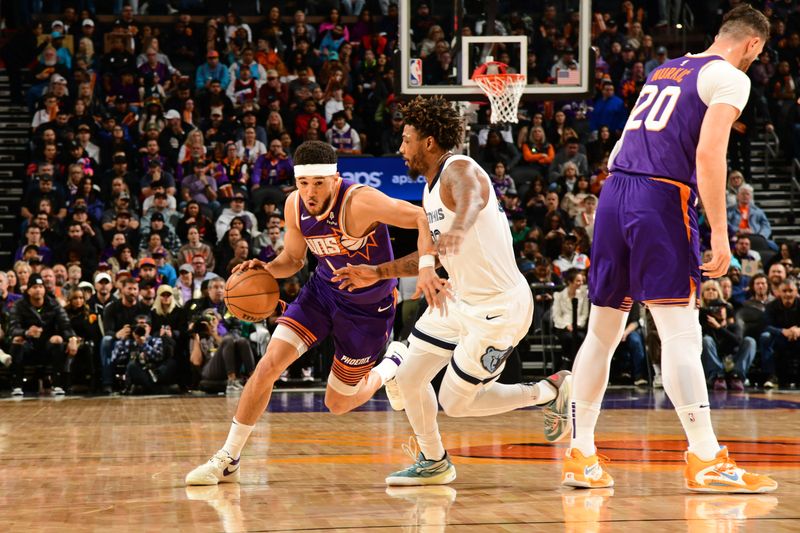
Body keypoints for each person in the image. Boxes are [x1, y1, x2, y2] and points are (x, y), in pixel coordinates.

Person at [564, 5, 776, 492]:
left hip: (615, 191)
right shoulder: (729, 78)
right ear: (751, 44)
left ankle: (581, 454)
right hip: (659, 197)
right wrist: (720, 234)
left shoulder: (666, 67)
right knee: (681, 333)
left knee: (602, 332)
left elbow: (619, 148)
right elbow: (708, 154)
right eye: (757, 54)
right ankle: (705, 458)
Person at [332, 96, 573, 486]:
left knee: (456, 403)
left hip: (498, 309)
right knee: (410, 379)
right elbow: (433, 255)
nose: (400, 148)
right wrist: (377, 272)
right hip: (457, 299)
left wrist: (459, 226)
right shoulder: (428, 193)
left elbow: (472, 196)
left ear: (428, 143)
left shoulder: (458, 168)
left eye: (407, 140)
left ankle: (548, 390)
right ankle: (434, 461)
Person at [185, 140, 443, 486]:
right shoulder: (294, 205)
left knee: (337, 402)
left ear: (336, 180)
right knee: (268, 366)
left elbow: (421, 217)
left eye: (318, 183)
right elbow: (292, 260)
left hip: (367, 310)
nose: (310, 192)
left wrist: (424, 265)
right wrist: (263, 269)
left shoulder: (360, 201)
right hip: (320, 294)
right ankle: (229, 458)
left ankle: (391, 364)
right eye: (304, 183)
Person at [8, 273, 79, 396]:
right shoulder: (19, 305)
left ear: (44, 289)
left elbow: (65, 325)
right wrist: (26, 332)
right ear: (28, 290)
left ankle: (57, 384)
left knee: (58, 339)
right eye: (34, 287)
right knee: (17, 340)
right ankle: (17, 385)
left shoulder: (53, 304)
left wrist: (72, 338)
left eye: (40, 287)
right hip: (28, 345)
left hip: (47, 345)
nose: (38, 290)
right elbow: (12, 329)